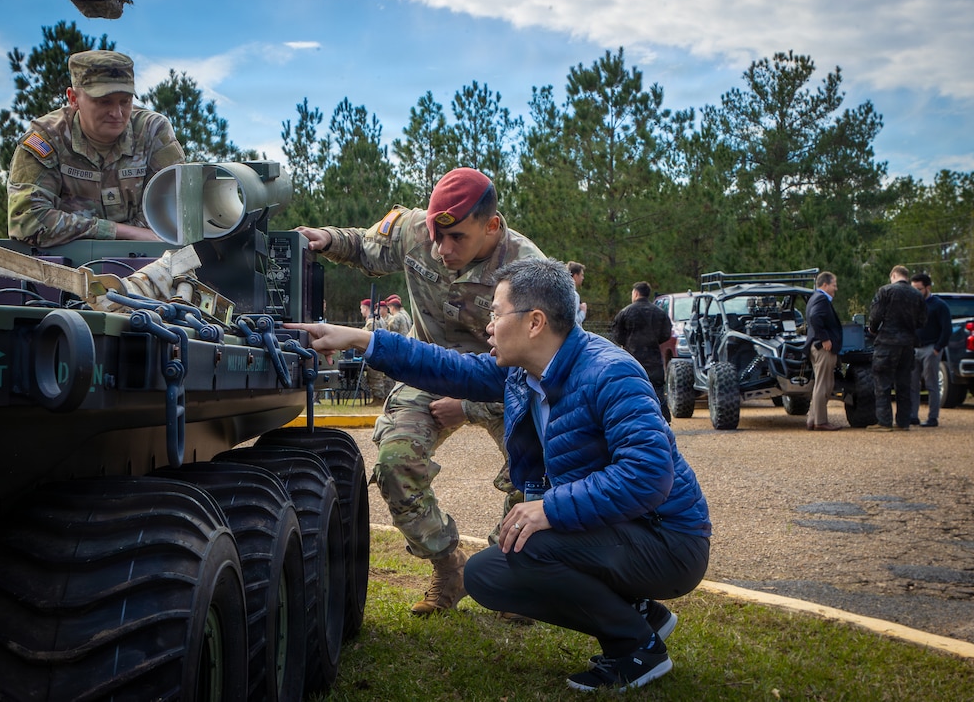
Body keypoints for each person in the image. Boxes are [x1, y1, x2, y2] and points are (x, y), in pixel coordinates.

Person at [286, 258, 711, 693]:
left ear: (534, 322)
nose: (488, 325)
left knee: (531, 542)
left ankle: (637, 650)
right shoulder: (522, 373)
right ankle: (642, 614)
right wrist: (359, 338)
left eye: (496, 312)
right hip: (617, 531)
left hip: (669, 540)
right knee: (487, 575)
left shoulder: (611, 373)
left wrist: (549, 508)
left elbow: (647, 474)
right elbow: (444, 367)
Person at [294, 167, 545, 615]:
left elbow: (543, 361)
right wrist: (327, 239)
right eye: (436, 235)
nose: (442, 250)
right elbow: (368, 245)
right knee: (394, 463)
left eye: (458, 239)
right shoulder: (415, 230)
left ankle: (507, 575)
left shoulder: (527, 270)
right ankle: (449, 570)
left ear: (491, 225)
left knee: (535, 478)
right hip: (427, 370)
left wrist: (468, 405)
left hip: (503, 380)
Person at [8, 50, 185, 248]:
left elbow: (177, 206)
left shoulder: (152, 131)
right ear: (73, 98)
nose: (117, 113)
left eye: (125, 101)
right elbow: (27, 220)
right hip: (63, 263)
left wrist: (135, 239)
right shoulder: (46, 138)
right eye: (104, 101)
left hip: (144, 261)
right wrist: (122, 232)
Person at [868, 265, 927, 431]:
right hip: (907, 344)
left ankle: (884, 421)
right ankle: (903, 422)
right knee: (904, 383)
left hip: (886, 342)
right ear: (906, 277)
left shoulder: (885, 291)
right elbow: (922, 321)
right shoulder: (917, 294)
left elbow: (875, 316)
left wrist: (873, 330)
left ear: (893, 275)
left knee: (882, 382)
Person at [610, 281, 673, 422]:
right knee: (657, 391)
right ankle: (663, 419)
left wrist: (626, 342)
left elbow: (616, 333)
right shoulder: (659, 312)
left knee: (631, 391)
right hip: (654, 359)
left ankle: (634, 420)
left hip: (632, 359)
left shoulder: (626, 312)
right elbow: (666, 333)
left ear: (636, 293)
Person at [909, 273, 952, 427]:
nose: (915, 292)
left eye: (918, 289)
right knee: (912, 384)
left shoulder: (939, 305)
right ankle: (913, 415)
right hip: (915, 349)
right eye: (913, 289)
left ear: (928, 288)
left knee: (931, 383)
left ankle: (933, 417)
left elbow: (947, 329)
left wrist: (937, 348)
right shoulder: (913, 305)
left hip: (931, 348)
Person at [804, 271, 843, 431]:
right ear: (825, 285)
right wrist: (825, 338)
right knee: (824, 385)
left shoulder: (815, 297)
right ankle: (820, 421)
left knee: (824, 383)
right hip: (823, 349)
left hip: (818, 347)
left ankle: (813, 419)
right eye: (834, 285)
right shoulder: (821, 299)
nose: (836, 288)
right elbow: (814, 317)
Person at [567, 261, 587, 325]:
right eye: (581, 275)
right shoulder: (574, 295)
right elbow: (574, 321)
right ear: (575, 276)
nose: (583, 278)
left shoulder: (562, 292)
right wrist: (583, 311)